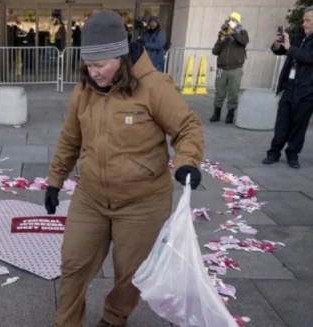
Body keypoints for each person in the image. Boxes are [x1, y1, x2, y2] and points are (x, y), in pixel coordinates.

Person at [44, 11, 204, 327]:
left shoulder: (154, 86)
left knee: (130, 272)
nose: (94, 73)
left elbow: (187, 128)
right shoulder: (83, 91)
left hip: (142, 202)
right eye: (88, 65)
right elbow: (69, 139)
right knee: (74, 263)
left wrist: (187, 163)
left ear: (120, 56)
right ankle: (66, 322)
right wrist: (55, 180)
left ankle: (115, 317)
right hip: (91, 197)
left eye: (100, 65)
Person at [262, 7, 313, 169]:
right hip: (289, 87)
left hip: (307, 91)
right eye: (304, 20)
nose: (304, 23)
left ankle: (292, 155)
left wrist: (290, 47)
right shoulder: (298, 36)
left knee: (299, 126)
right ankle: (273, 152)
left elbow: (308, 57)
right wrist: (277, 45)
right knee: (282, 122)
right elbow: (282, 51)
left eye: (308, 21)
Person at [210, 12, 249, 124]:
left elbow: (244, 41)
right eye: (230, 19)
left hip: (235, 68)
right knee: (219, 91)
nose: (231, 21)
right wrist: (220, 40)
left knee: (233, 92)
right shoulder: (223, 32)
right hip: (221, 68)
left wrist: (234, 34)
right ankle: (216, 113)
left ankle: (230, 114)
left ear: (238, 22)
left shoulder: (242, 32)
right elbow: (215, 51)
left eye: (234, 20)